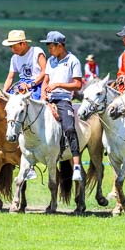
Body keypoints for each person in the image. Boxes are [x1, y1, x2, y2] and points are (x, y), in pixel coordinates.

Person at [40, 31, 83, 181]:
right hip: (48, 99)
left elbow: (78, 84)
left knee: (69, 128)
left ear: (59, 46)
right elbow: (46, 80)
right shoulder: (50, 61)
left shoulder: (73, 60)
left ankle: (76, 165)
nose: (49, 49)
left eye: (50, 46)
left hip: (63, 100)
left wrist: (58, 84)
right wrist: (43, 95)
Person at [2, 30, 46, 100]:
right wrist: (4, 91)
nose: (13, 50)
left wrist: (30, 85)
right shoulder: (14, 58)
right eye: (11, 47)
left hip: (37, 84)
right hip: (22, 84)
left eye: (15, 47)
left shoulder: (37, 52)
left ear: (23, 44)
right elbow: (10, 77)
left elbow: (44, 71)